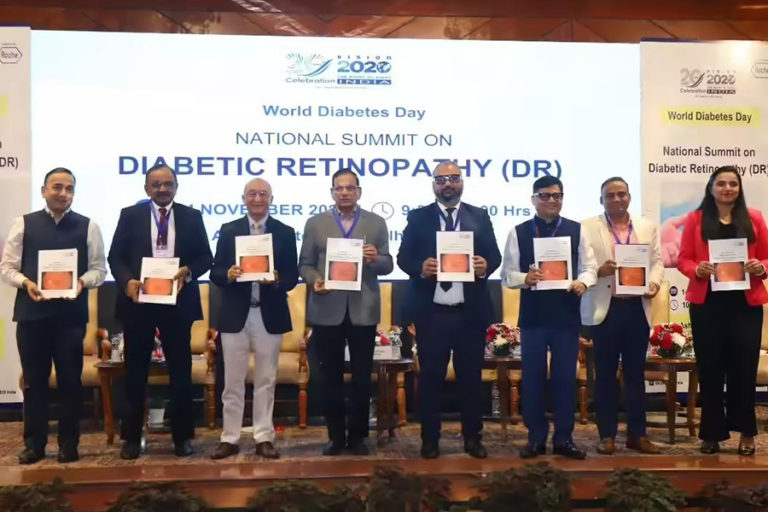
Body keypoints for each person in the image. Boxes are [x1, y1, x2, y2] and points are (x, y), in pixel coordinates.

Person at [0, 167, 106, 464]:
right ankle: (34, 445)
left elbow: (99, 270)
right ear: (44, 190)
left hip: (70, 317)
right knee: (34, 382)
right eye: (57, 187)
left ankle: (68, 445)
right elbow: (7, 268)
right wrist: (27, 283)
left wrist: (82, 282)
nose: (63, 193)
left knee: (71, 382)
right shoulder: (23, 224)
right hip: (32, 316)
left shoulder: (89, 226)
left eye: (69, 188)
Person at [108, 164, 212, 460]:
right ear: (146, 188)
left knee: (180, 372)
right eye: (156, 184)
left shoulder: (192, 216)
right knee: (135, 372)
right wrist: (127, 281)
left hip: (177, 303)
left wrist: (188, 272)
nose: (163, 189)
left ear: (176, 187)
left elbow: (205, 257)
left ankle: (182, 437)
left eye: (168, 184)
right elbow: (115, 257)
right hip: (138, 303)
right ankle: (131, 438)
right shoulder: (130, 215)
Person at [397, 162, 501, 459]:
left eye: (453, 178)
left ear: (461, 182)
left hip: (469, 313)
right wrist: (420, 267)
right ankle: (430, 439)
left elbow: (494, 256)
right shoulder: (418, 217)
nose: (447, 184)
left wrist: (485, 265)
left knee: (471, 379)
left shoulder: (479, 216)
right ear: (434, 184)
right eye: (441, 179)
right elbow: (403, 258)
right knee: (431, 379)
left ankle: (473, 438)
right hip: (432, 314)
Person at [501, 175, 597, 459]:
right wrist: (525, 278)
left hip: (566, 315)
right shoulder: (518, 232)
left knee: (565, 379)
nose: (551, 200)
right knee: (532, 379)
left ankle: (564, 439)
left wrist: (583, 282)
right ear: (534, 200)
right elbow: (506, 275)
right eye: (544, 195)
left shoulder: (576, 230)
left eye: (556, 195)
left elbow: (590, 267)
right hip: (533, 317)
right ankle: (536, 438)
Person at [298, 168, 392, 455]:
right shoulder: (315, 223)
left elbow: (388, 264)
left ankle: (359, 436)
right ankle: (336, 436)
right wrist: (315, 280)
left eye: (350, 188)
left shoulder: (376, 222)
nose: (345, 193)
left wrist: (376, 259)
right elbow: (305, 264)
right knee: (330, 378)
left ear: (359, 192)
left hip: (363, 310)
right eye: (339, 188)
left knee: (362, 378)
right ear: (332, 193)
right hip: (327, 309)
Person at [677, 165, 768, 456]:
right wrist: (697, 269)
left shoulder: (754, 218)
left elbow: (767, 257)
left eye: (733, 184)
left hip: (745, 306)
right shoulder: (695, 219)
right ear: (711, 187)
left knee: (744, 369)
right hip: (707, 305)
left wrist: (760, 267)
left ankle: (747, 432)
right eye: (722, 184)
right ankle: (712, 433)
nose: (727, 188)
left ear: (739, 189)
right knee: (711, 369)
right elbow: (683, 259)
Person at [209, 178, 298, 460]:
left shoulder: (285, 232)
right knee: (232, 381)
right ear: (243, 198)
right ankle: (230, 437)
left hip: (269, 314)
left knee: (266, 380)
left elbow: (292, 276)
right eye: (252, 194)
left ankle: (263, 436)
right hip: (235, 314)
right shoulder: (229, 230)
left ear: (271, 198)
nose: (257, 198)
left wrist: (277, 279)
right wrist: (228, 274)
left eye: (262, 194)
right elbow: (215, 272)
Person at [580, 177, 663, 455]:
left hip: (637, 308)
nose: (617, 199)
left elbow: (657, 263)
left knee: (635, 375)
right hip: (606, 309)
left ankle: (637, 434)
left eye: (622, 194)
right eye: (610, 195)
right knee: (605, 376)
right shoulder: (586, 227)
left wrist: (654, 284)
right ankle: (607, 435)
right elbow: (581, 266)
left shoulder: (646, 227)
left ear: (629, 197)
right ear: (601, 200)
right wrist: (598, 272)